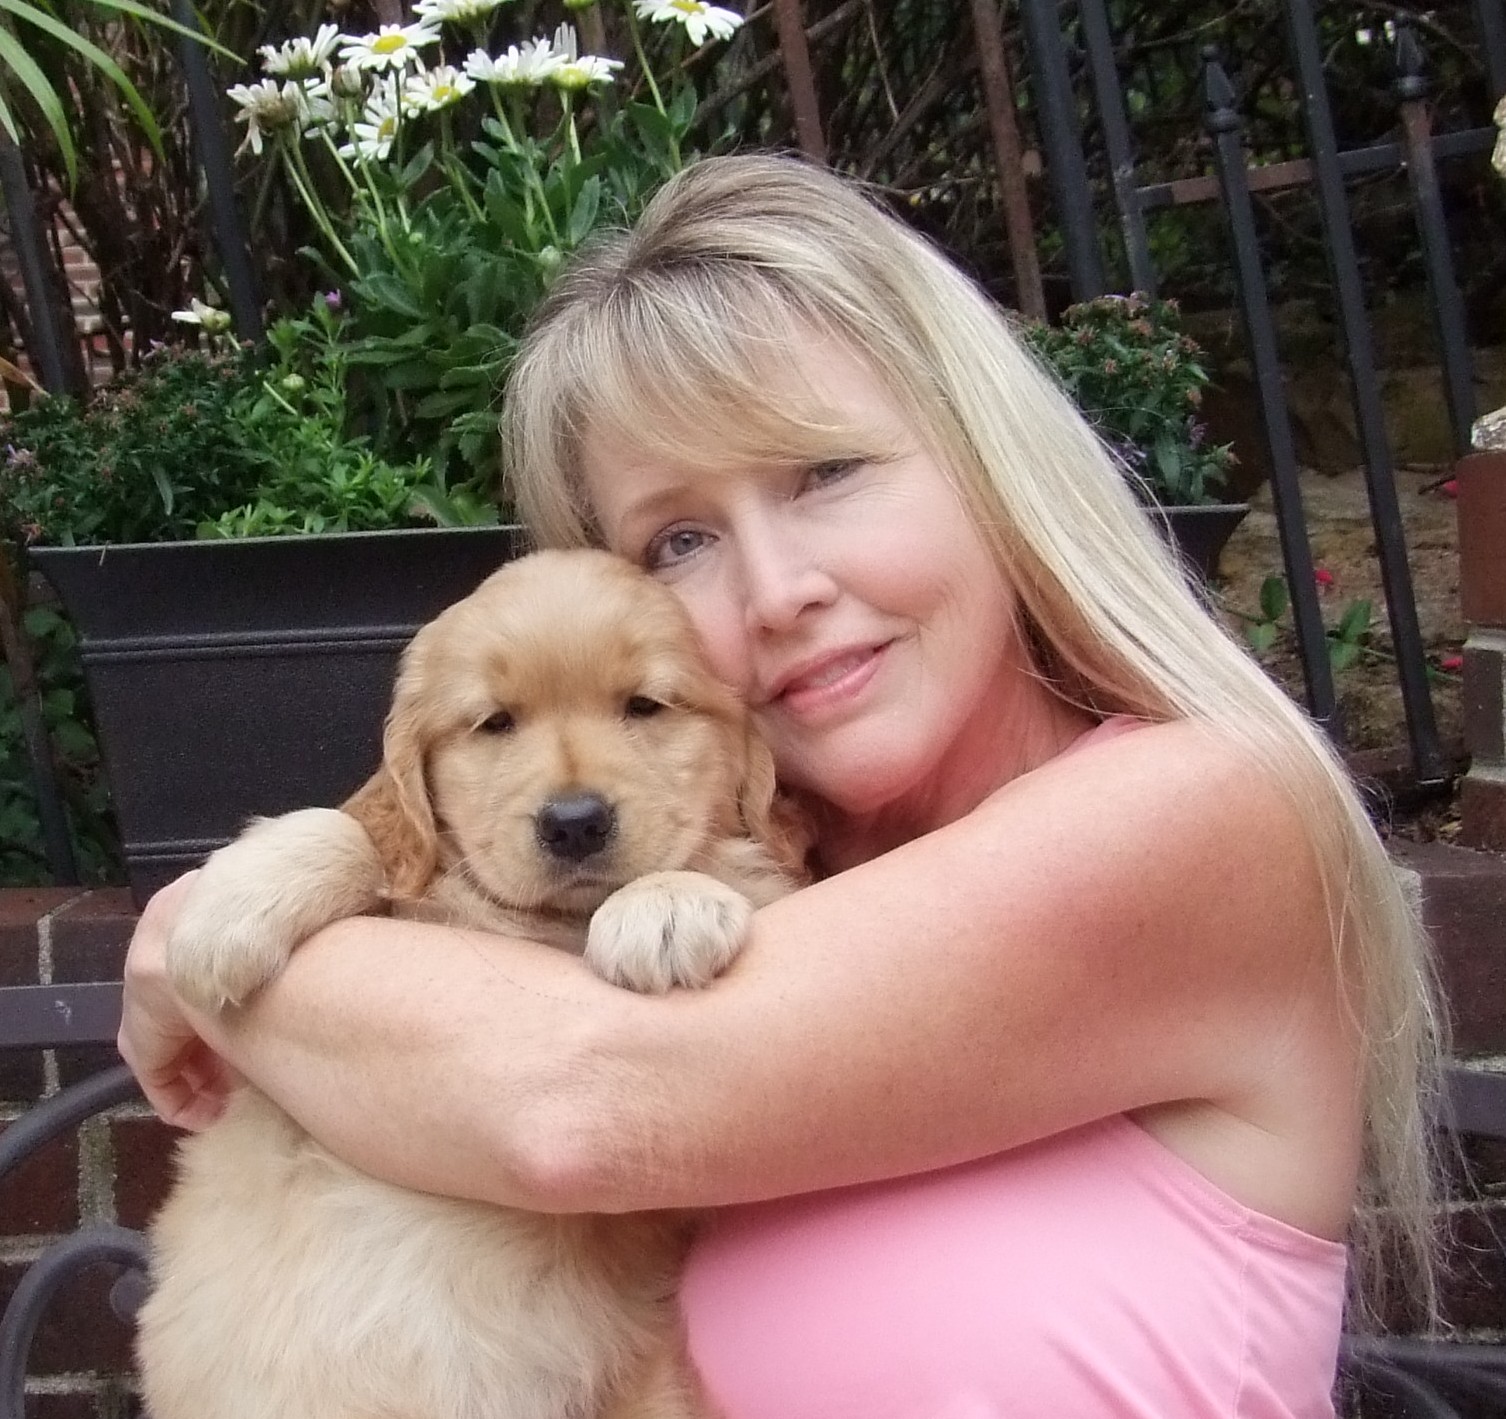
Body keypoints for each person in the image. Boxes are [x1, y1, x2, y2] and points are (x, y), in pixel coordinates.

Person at [119, 154, 1443, 1418]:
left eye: (826, 473)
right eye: (679, 539)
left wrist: (195, 946)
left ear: (990, 461)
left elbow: (575, 1110)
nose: (775, 589)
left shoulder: (1200, 813)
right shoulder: (776, 875)